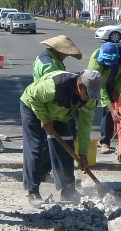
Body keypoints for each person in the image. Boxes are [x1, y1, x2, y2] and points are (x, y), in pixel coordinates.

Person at [20, 68, 100, 203]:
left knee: (66, 146)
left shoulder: (90, 99)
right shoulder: (54, 85)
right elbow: (34, 98)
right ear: (80, 86)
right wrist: (45, 119)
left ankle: (67, 190)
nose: (90, 98)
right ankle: (32, 190)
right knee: (36, 146)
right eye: (88, 94)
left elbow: (85, 126)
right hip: (33, 105)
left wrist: (83, 154)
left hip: (59, 113)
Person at [93, 39, 121, 154]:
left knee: (109, 113)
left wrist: (117, 87)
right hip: (96, 83)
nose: (109, 64)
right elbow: (100, 88)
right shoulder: (95, 62)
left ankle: (105, 141)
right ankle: (82, 140)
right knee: (90, 107)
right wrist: (112, 109)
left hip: (113, 81)